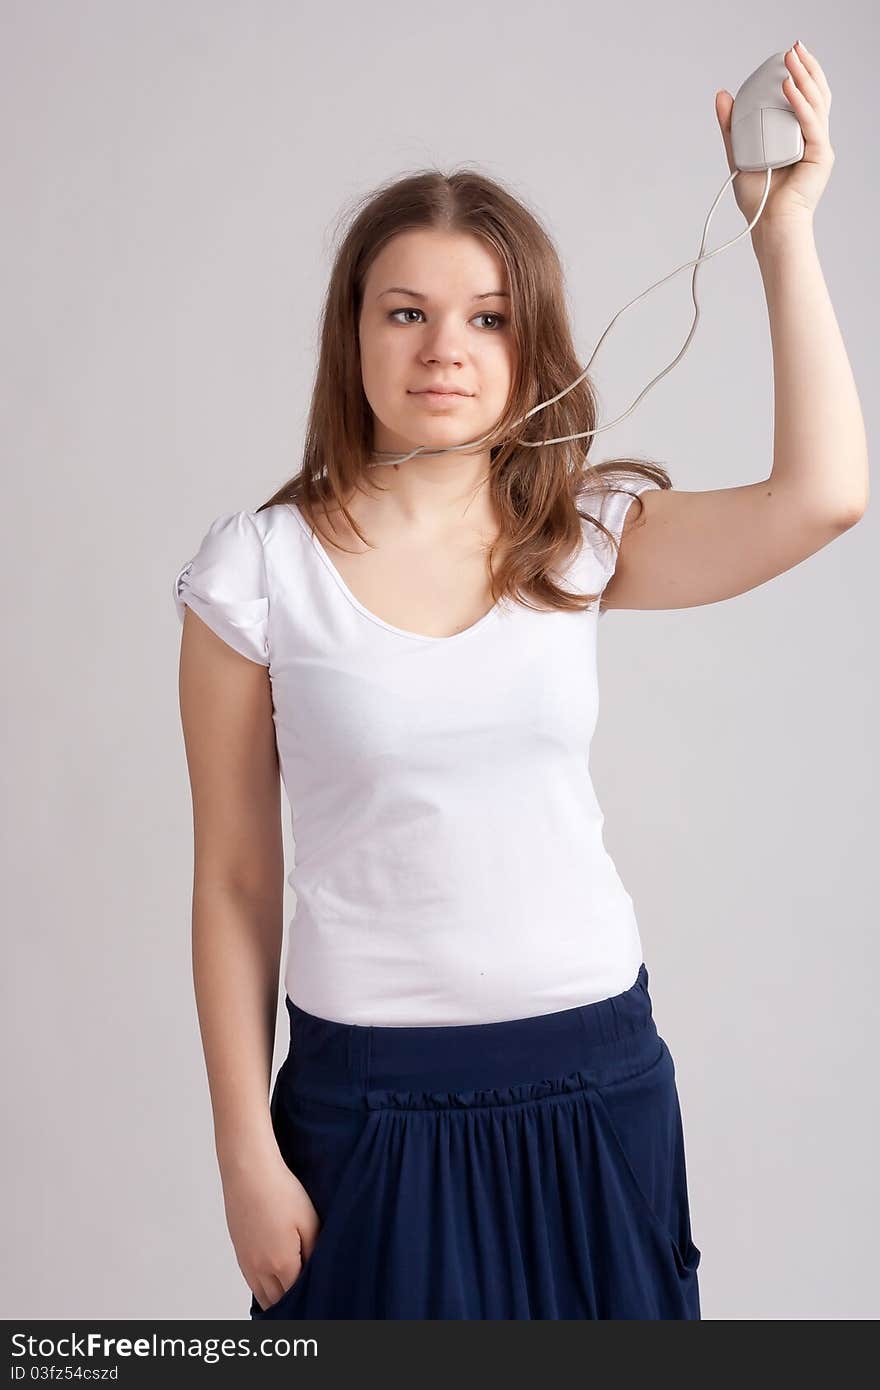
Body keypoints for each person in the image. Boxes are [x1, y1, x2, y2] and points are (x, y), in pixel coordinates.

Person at [173, 81, 864, 1321]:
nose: (445, 347)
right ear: (355, 336)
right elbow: (233, 878)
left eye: (487, 318)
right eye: (408, 313)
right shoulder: (255, 570)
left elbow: (822, 498)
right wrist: (243, 1151)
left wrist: (782, 227)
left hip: (593, 1078)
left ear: (529, 347)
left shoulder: (580, 537)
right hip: (364, 1101)